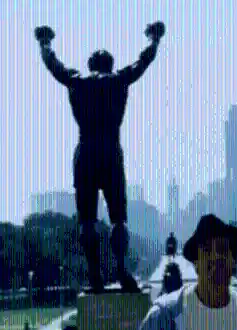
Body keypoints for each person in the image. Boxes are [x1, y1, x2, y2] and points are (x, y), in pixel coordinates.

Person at [35, 22, 165, 293]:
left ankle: (94, 273)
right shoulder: (119, 80)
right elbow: (144, 61)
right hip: (110, 152)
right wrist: (154, 38)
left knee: (87, 220)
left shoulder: (77, 81)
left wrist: (45, 42)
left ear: (92, 65)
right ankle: (121, 268)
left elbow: (53, 65)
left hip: (85, 153)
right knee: (118, 219)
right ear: (110, 64)